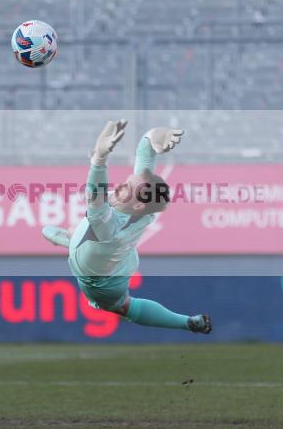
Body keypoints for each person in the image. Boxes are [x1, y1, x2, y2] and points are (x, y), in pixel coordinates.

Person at [41, 119, 212, 334]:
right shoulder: (143, 206)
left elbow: (96, 197)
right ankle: (74, 240)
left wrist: (99, 160)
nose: (121, 185)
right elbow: (145, 156)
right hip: (119, 256)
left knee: (123, 306)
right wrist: (153, 136)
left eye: (127, 187)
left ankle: (188, 323)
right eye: (126, 182)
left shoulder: (110, 227)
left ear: (138, 204)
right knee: (72, 232)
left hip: (105, 284)